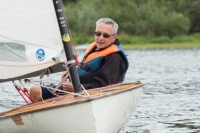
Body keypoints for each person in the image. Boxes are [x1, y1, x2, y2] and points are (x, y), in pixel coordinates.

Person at [30, 18, 129, 102]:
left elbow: (105, 88)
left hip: (87, 96)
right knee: (34, 91)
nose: (100, 38)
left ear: (114, 38)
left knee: (36, 91)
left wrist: (77, 88)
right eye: (98, 33)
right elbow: (90, 71)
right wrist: (73, 68)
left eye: (105, 35)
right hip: (75, 90)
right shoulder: (97, 48)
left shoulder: (114, 57)